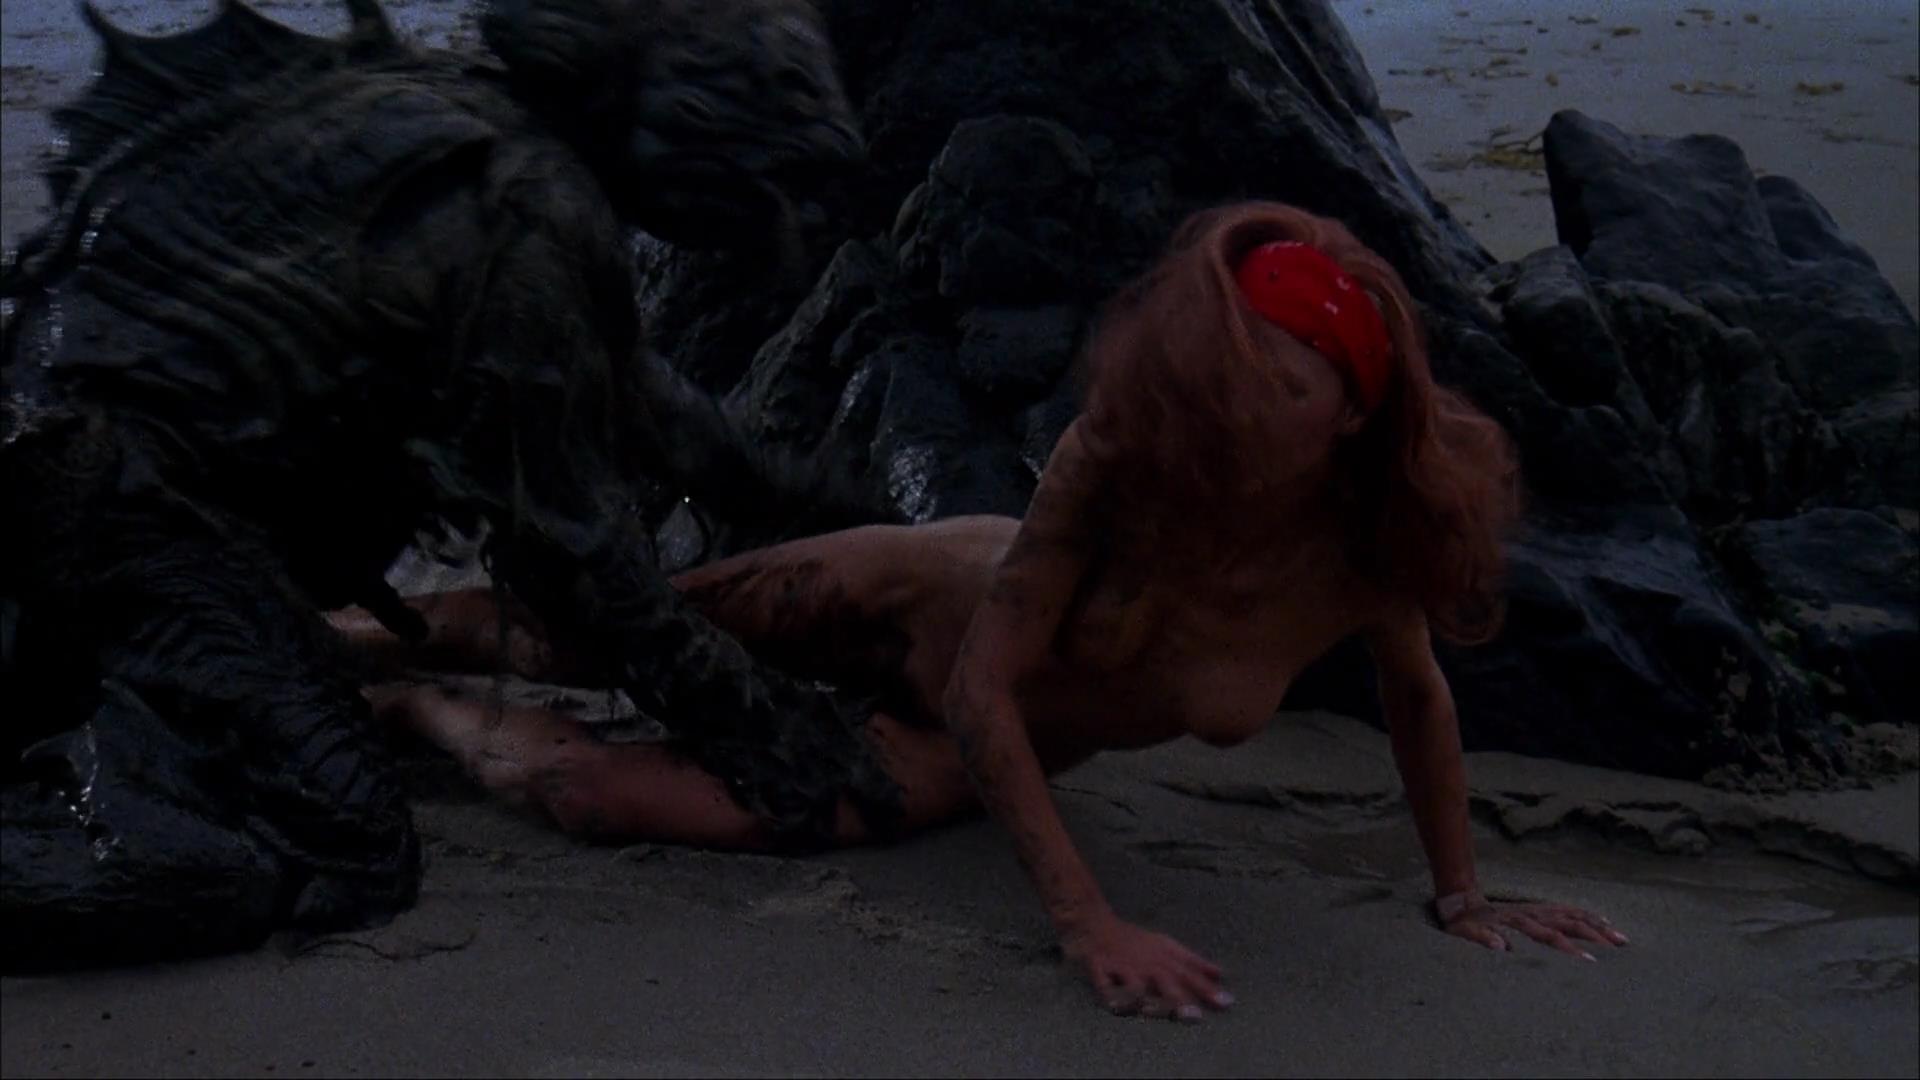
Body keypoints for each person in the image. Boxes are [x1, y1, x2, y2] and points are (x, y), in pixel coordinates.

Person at [331, 201, 1627, 1022]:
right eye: (1224, 381)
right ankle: (336, 630)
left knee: (600, 797)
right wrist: (1086, 918)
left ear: (1351, 412)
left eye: (1280, 395)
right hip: (931, 602)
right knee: (586, 631)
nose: (1235, 419)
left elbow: (1417, 697)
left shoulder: (1369, 549)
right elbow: (984, 676)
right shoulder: (1121, 455)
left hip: (955, 752)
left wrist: (1462, 894)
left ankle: (410, 710)